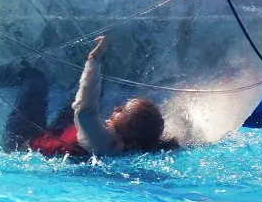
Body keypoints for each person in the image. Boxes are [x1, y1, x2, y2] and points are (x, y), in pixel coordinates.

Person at [27, 36, 177, 157]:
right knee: (96, 90)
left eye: (123, 110)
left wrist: (94, 59)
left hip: (27, 145)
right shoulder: (121, 143)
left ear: (130, 128)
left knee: (35, 81)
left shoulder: (103, 143)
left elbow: (85, 111)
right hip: (60, 134)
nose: (117, 107)